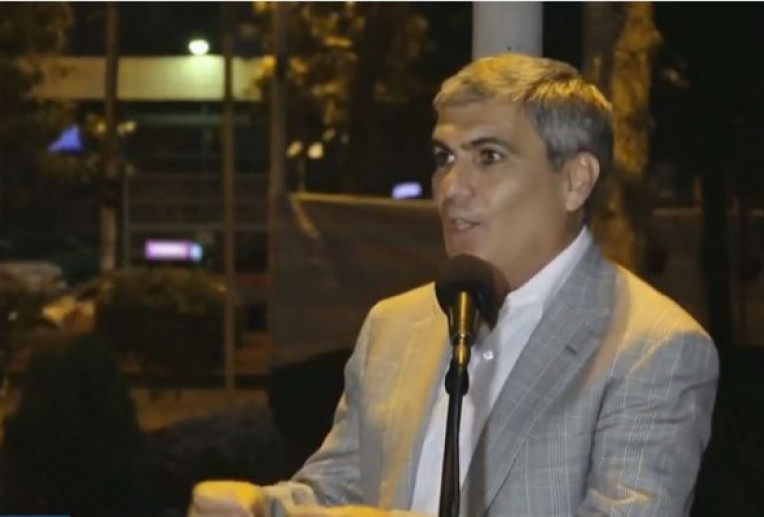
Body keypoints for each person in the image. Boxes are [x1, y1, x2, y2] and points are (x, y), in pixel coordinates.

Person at [190, 53, 719, 517]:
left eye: (488, 157)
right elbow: (337, 493)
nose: (451, 188)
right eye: (445, 158)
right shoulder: (394, 326)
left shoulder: (653, 348)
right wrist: (259, 507)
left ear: (576, 180)